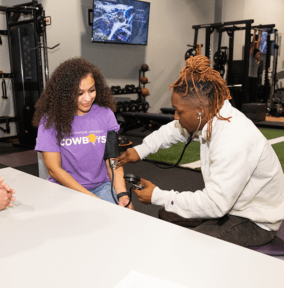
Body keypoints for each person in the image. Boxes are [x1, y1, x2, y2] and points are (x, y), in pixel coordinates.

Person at [115, 55, 284, 247]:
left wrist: (157, 195)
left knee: (189, 246)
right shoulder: (212, 115)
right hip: (232, 205)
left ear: (200, 110)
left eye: (179, 111)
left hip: (256, 221)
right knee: (166, 213)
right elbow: (172, 131)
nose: (176, 117)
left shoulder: (233, 137)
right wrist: (140, 150)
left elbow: (215, 204)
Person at [33, 57, 133, 209]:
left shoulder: (105, 114)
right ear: (65, 93)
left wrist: (122, 194)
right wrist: (89, 198)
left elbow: (112, 160)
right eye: (79, 93)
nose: (87, 98)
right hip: (64, 188)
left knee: (125, 219)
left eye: (92, 90)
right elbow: (54, 169)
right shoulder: (50, 120)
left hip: (100, 186)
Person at [249, 28, 262, 102]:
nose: (259, 55)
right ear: (255, 54)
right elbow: (253, 44)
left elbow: (258, 44)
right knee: (251, 95)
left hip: (255, 78)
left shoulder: (257, 60)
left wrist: (260, 33)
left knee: (255, 95)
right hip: (250, 78)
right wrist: (254, 33)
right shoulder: (252, 58)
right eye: (258, 54)